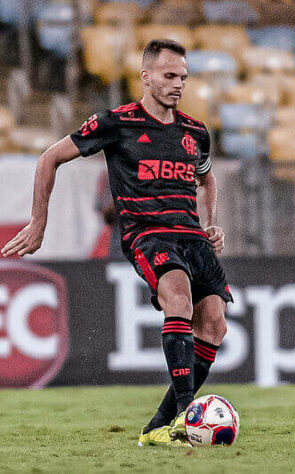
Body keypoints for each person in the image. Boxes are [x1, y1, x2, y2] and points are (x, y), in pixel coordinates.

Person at [1, 39, 233, 446]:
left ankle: (158, 427)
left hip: (193, 237)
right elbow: (48, 158)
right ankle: (184, 417)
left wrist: (212, 223)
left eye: (183, 76)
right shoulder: (116, 123)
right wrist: (39, 222)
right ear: (146, 77)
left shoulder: (196, 131)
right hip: (147, 233)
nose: (178, 84)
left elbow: (206, 177)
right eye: (169, 75)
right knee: (177, 298)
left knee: (213, 325)